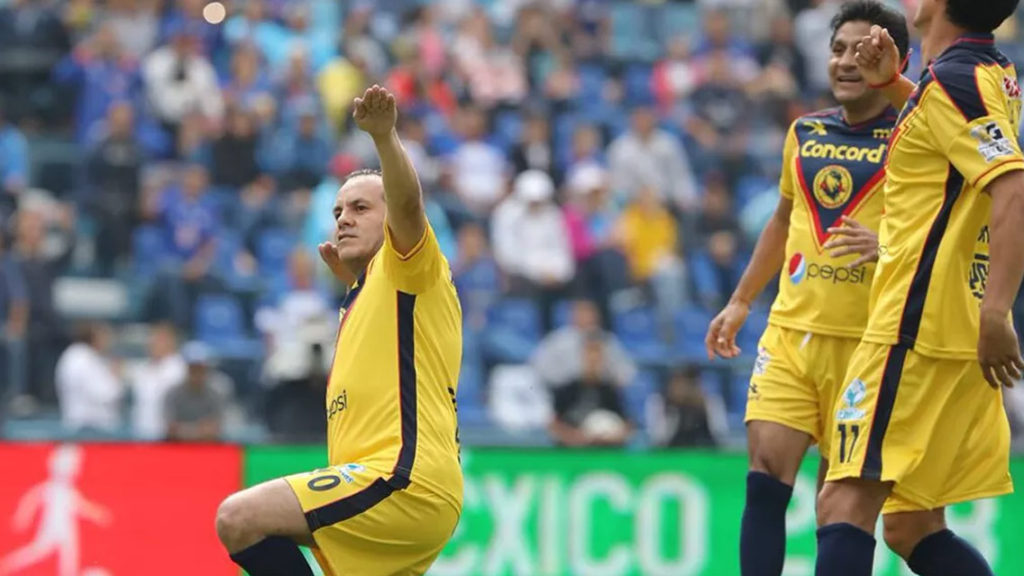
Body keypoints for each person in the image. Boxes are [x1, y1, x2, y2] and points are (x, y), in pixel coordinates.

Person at [215, 85, 462, 576]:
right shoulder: (370, 291)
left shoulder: (407, 264)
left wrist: (385, 138)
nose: (343, 220)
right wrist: (356, 282)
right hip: (407, 488)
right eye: (337, 213)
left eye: (360, 209)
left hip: (401, 476)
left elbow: (409, 207)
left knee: (239, 519)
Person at [814, 1, 1024, 575]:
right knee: (912, 525)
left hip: (915, 328)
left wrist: (998, 311)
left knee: (844, 501)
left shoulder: (957, 79)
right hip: (950, 328)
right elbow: (953, 147)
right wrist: (896, 85)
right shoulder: (985, 73)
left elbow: (1013, 188)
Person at [704, 3, 909, 575]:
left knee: (836, 505)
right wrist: (742, 298)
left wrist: (886, 242)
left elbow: (956, 229)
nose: (846, 62)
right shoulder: (805, 130)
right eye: (838, 49)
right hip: (792, 334)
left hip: (871, 346)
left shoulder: (918, 140)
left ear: (895, 60)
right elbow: (783, 216)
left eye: (862, 52)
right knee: (766, 474)